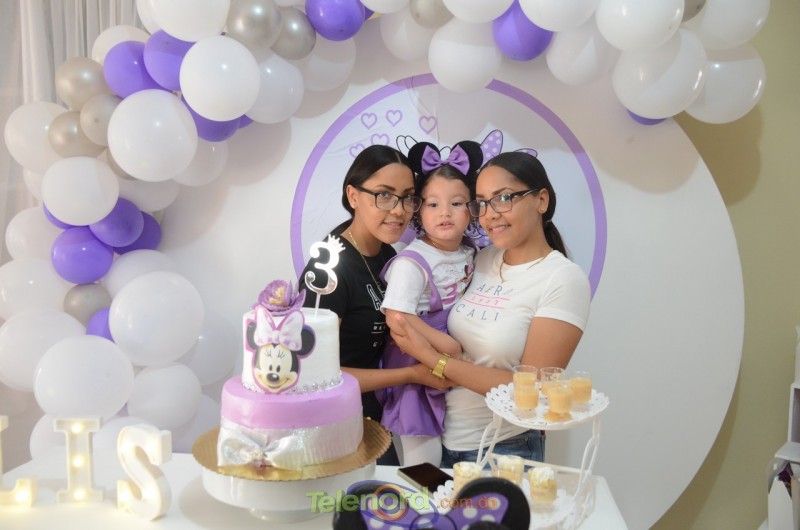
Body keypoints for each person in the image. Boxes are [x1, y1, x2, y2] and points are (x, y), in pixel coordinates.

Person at [389, 151, 591, 467]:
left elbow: (534, 388)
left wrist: (433, 360)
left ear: (541, 200)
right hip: (443, 440)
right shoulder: (481, 258)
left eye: (503, 198)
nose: (490, 214)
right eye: (482, 203)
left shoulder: (562, 278)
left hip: (503, 449)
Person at [298, 144, 451, 466]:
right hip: (331, 425)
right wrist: (411, 374)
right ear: (353, 196)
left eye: (407, 197)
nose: (398, 210)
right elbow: (313, 374)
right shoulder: (328, 269)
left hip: (375, 417)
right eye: (384, 195)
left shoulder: (388, 255)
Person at [378, 140, 483, 467]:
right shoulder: (412, 262)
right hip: (415, 360)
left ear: (473, 209)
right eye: (433, 204)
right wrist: (445, 345)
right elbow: (397, 317)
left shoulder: (471, 251)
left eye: (456, 203)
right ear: (418, 211)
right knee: (424, 463)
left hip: (454, 369)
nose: (445, 213)